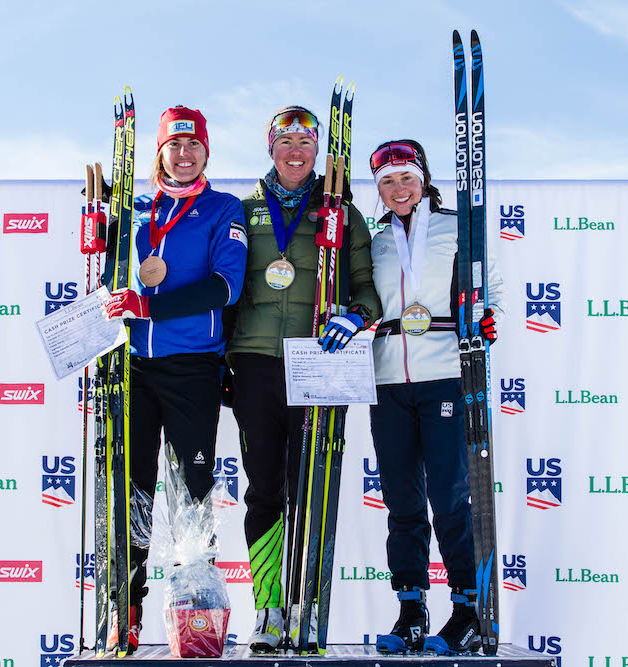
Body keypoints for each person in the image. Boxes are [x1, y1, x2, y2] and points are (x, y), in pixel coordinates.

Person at [224, 105, 382, 651]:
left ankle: (304, 605)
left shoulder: (343, 213)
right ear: (271, 148)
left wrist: (353, 317)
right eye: (285, 140)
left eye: (306, 142)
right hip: (256, 363)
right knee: (265, 489)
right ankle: (268, 608)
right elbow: (225, 291)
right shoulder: (243, 210)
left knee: (311, 490)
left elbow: (368, 292)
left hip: (319, 362)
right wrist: (222, 362)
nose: (296, 151)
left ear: (318, 151)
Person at [102, 105, 248, 654]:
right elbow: (112, 279)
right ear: (159, 153)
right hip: (134, 368)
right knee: (130, 488)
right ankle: (127, 608)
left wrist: (150, 305)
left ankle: (197, 613)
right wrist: (102, 238)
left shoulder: (222, 208)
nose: (184, 156)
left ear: (206, 152)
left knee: (193, 490)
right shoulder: (136, 211)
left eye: (194, 147)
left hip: (193, 367)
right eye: (174, 146)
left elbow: (225, 287)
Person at [366, 139, 503, 655]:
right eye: (387, 182)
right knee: (401, 501)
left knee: (448, 496)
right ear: (378, 190)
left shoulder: (454, 227)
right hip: (387, 379)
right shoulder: (376, 241)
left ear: (423, 181)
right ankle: (411, 611)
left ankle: (468, 611)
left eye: (406, 178)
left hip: (446, 370)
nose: (398, 189)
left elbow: (492, 288)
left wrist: (490, 318)